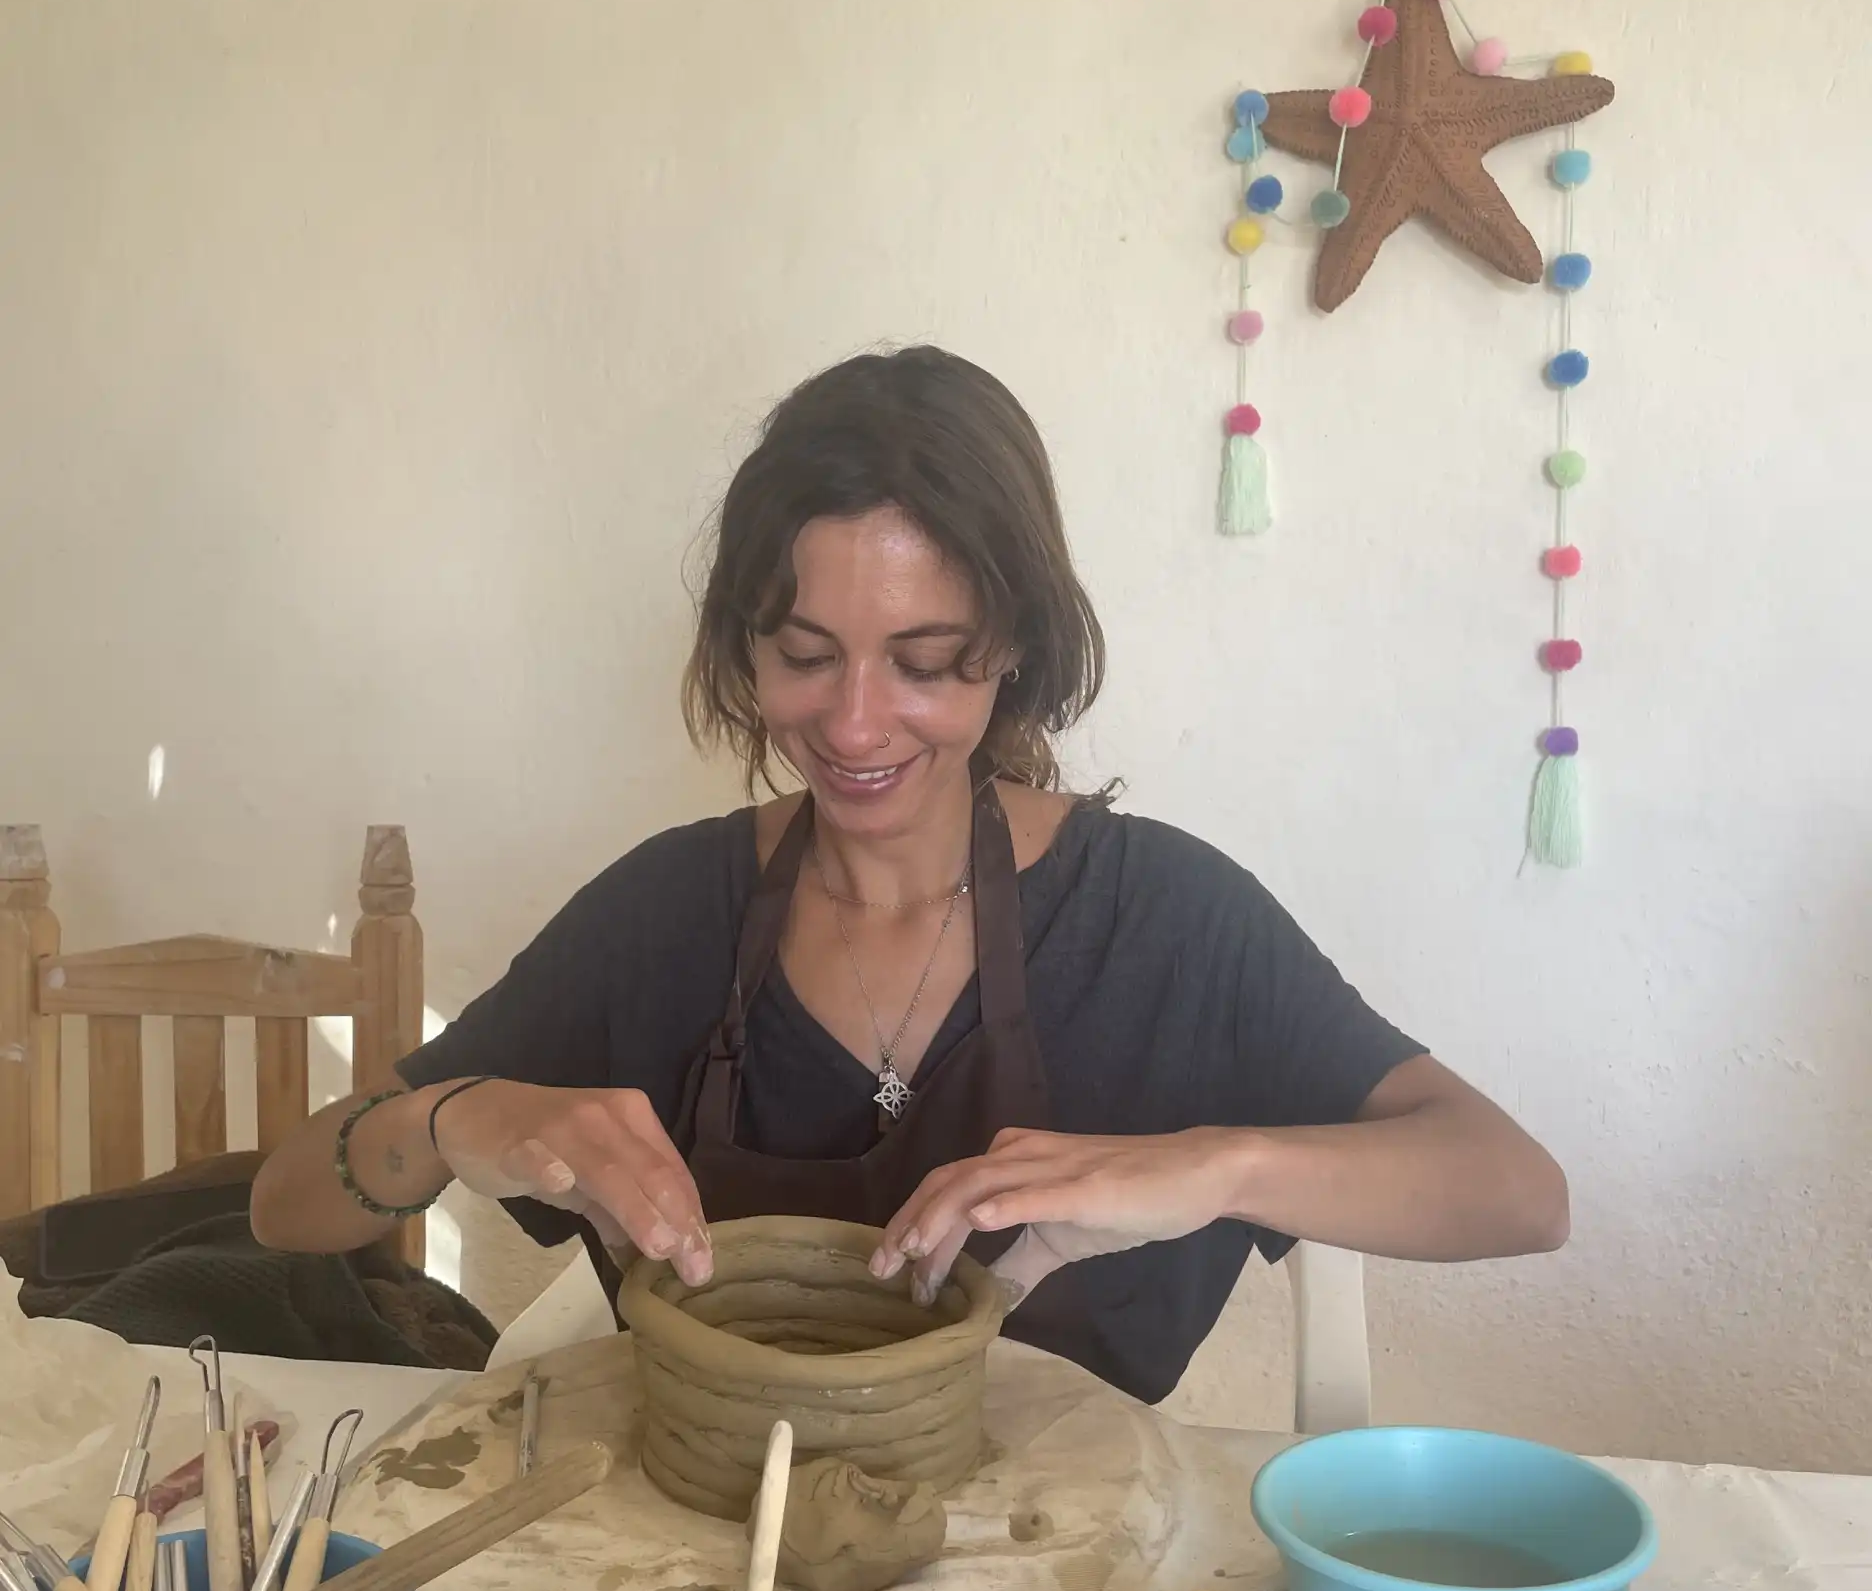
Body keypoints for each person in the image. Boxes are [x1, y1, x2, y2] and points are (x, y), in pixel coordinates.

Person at [250, 347, 1567, 1401]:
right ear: (744, 648)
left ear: (1013, 650)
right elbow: (284, 1206)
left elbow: (1515, 1186)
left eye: (926, 660)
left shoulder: (1161, 920)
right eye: (806, 653)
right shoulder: (665, 916)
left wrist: (1211, 1164)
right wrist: (451, 1118)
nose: (859, 723)